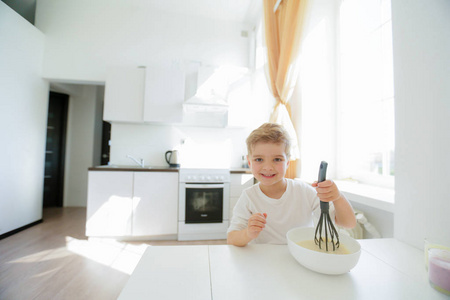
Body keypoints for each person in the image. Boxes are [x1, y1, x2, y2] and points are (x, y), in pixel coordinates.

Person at [227, 123, 356, 247]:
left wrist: (337, 197)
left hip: (301, 256)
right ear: (249, 162)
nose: (267, 167)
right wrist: (248, 233)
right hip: (264, 259)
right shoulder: (249, 197)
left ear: (288, 162)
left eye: (277, 159)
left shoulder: (304, 191)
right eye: (259, 159)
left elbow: (348, 223)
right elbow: (232, 238)